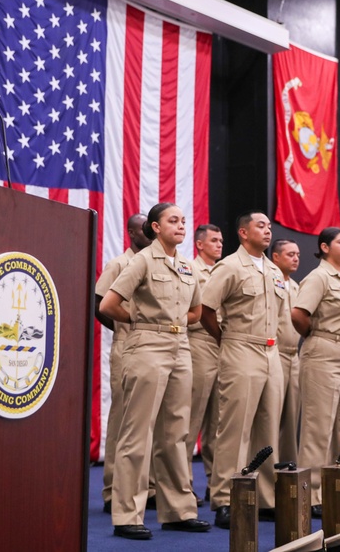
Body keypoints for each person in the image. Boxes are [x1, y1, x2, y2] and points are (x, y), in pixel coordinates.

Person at [99, 203, 211, 539]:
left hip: (181, 348)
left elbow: (196, 310)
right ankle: (127, 515)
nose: (180, 225)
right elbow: (107, 304)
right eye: (172, 221)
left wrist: (174, 325)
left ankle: (178, 510)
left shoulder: (187, 266)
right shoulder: (142, 260)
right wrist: (141, 322)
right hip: (147, 347)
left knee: (176, 434)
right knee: (138, 433)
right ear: (155, 227)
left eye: (183, 221)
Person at [201, 213, 286, 528]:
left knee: (267, 429)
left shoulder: (274, 269)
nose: (267, 230)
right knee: (234, 430)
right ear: (243, 232)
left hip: (271, 351)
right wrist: (226, 340)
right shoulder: (230, 266)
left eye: (269, 226)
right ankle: (224, 498)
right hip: (241, 347)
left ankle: (265, 499)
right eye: (260, 226)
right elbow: (207, 310)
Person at [293, 228, 340, 518]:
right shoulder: (319, 277)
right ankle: (311, 493)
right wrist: (318, 337)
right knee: (318, 427)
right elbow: (299, 314)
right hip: (325, 350)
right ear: (324, 247)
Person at [94, 213, 152, 514]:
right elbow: (99, 303)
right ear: (131, 232)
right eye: (144, 227)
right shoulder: (120, 263)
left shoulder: (157, 263)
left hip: (154, 349)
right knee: (123, 418)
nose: (149, 231)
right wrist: (123, 328)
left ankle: (148, 487)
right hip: (128, 345)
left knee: (150, 419)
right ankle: (111, 489)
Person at [185, 223, 224, 503]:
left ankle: (217, 483)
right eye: (214, 240)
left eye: (221, 240)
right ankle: (182, 485)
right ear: (199, 244)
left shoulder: (224, 271)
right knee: (191, 420)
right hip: (198, 343)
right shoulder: (190, 269)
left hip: (224, 345)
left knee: (219, 424)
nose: (219, 245)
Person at [271, 239, 302, 465]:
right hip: (276, 352)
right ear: (276, 257)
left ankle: (288, 468)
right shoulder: (269, 280)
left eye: (298, 254)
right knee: (271, 416)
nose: (296, 258)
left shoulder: (296, 286)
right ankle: (268, 467)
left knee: (292, 418)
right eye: (290, 254)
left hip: (294, 355)